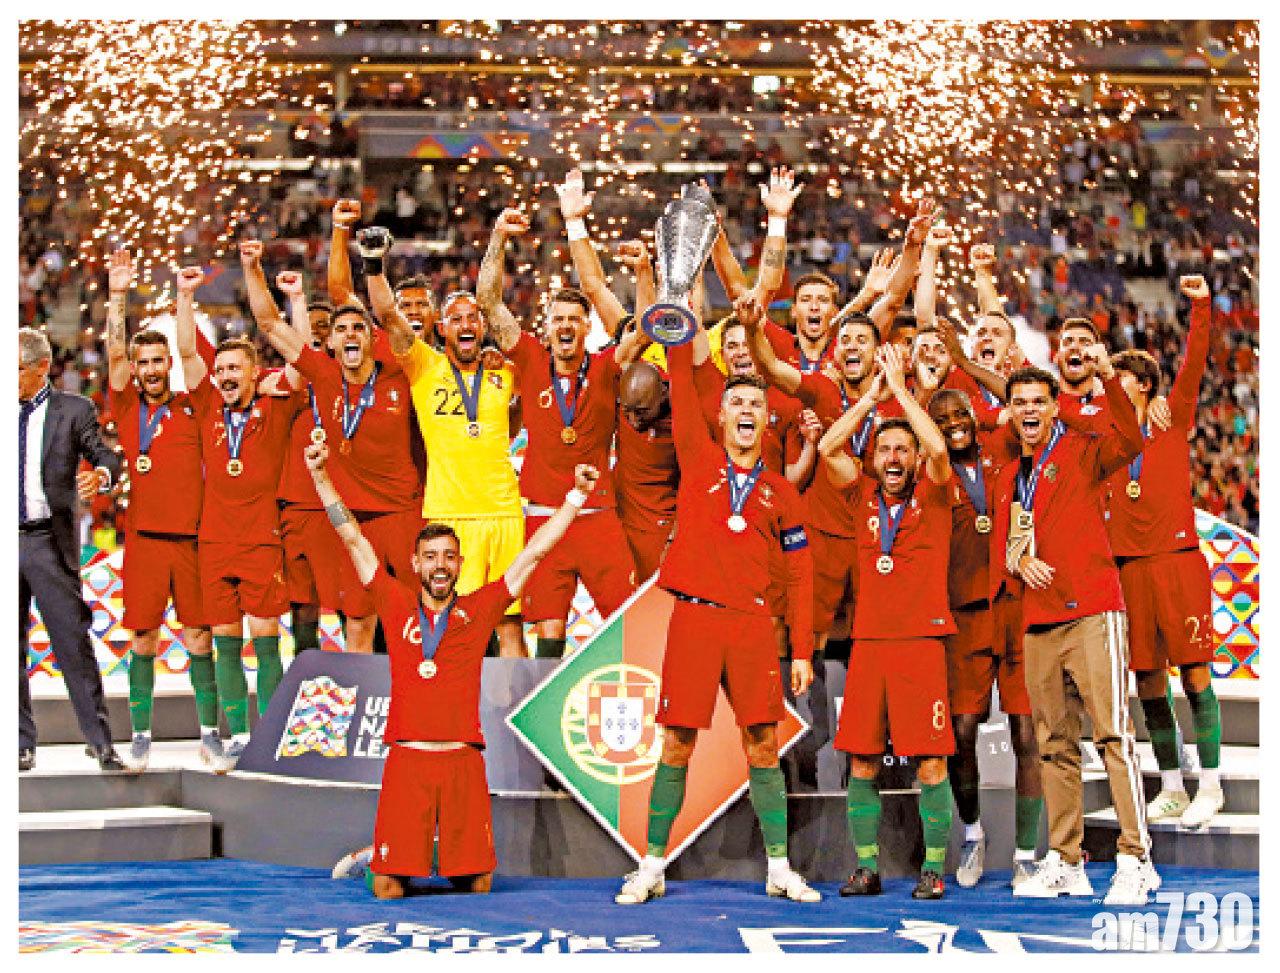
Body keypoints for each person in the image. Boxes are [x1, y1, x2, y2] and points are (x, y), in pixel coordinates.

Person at [305, 439, 602, 897]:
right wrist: (321, 476)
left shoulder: (479, 610)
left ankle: (423, 851)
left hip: (463, 762)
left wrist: (576, 497)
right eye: (430, 557)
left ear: (460, 564)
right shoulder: (395, 603)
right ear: (415, 564)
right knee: (388, 890)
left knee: (478, 886)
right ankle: (379, 856)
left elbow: (533, 555)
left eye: (448, 556)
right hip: (408, 762)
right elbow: (352, 538)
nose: (440, 566)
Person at [615, 291, 819, 907]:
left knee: (763, 746)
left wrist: (801, 651)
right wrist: (676, 312)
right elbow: (680, 376)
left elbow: (801, 576)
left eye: (757, 403)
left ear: (766, 419)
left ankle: (779, 868)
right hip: (696, 622)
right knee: (676, 744)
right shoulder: (698, 459)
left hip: (753, 626)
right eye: (738, 403)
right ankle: (652, 865)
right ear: (722, 415)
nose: (747, 410)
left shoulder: (782, 493)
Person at [994, 361, 1159, 905]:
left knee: (1112, 735)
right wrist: (1021, 563)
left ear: (1054, 407)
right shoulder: (1010, 475)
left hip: (1092, 611)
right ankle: (1067, 861)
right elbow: (1007, 548)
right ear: (1010, 412)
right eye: (1020, 403)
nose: (1030, 411)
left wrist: (1106, 378)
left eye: (1039, 402)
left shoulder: (1082, 451)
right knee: (1053, 745)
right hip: (1038, 620)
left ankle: (1136, 859)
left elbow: (1131, 439)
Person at [816, 344, 957, 901]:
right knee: (864, 760)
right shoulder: (861, 496)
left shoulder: (936, 492)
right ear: (873, 459)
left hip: (921, 642)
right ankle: (867, 867)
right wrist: (870, 400)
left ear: (914, 457)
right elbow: (827, 446)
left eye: (903, 449)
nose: (894, 458)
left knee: (931, 761)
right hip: (870, 643)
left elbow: (939, 448)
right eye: (885, 450)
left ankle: (934, 869)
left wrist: (901, 392)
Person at [354, 225, 529, 658]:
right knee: (455, 626)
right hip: (450, 515)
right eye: (457, 319)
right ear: (442, 327)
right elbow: (388, 315)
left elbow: (511, 427)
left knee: (510, 627)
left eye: (473, 318)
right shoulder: (424, 366)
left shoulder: (504, 371)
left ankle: (511, 704)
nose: (466, 324)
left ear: (483, 327)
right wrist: (374, 265)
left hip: (504, 512)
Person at [477, 206, 645, 657]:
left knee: (627, 622)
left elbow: (642, 334)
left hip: (597, 516)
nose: (566, 325)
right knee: (548, 631)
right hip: (543, 517)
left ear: (588, 327)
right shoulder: (530, 358)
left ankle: (624, 696)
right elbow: (489, 303)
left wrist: (644, 273)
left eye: (574, 319)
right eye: (558, 318)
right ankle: (548, 702)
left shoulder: (606, 366)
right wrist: (498, 237)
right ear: (547, 326)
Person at [244, 242, 421, 654]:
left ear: (372, 339)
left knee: (415, 616)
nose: (350, 334)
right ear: (332, 343)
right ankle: (364, 693)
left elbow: (393, 318)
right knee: (358, 621)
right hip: (353, 522)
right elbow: (269, 324)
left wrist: (373, 265)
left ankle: (423, 688)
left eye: (359, 327)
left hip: (403, 514)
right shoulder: (322, 375)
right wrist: (251, 267)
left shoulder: (399, 373)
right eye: (342, 330)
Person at [175, 265, 304, 769]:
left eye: (235, 369)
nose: (226, 376)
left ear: (255, 374)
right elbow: (188, 352)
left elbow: (301, 359)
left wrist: (295, 301)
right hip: (215, 543)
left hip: (261, 541)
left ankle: (267, 741)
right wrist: (185, 295)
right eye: (222, 369)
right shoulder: (208, 403)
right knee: (225, 643)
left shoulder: (276, 405)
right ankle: (236, 738)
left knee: (266, 641)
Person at [1109, 275, 1222, 830]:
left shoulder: (1171, 418)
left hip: (1177, 562)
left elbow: (1195, 360)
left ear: (1145, 386)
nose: (1110, 385)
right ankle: (1173, 785)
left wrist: (1200, 305)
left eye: (1120, 378)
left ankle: (1212, 784)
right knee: (1149, 681)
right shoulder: (1104, 441)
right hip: (1129, 570)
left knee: (1195, 674)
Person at [103, 252, 221, 771]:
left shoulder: (193, 405)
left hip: (192, 541)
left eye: (158, 361)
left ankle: (211, 735)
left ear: (168, 364)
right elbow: (113, 352)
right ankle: (141, 738)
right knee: (143, 640)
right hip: (145, 542)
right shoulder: (128, 408)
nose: (151, 370)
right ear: (135, 369)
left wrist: (185, 298)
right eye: (143, 362)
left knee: (200, 638)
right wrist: (117, 295)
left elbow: (193, 349)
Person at [927, 387, 1042, 889]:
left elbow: (1023, 405)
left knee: (1027, 735)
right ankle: (973, 834)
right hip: (964, 616)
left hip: (1015, 607)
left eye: (961, 414)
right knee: (962, 732)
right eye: (943, 419)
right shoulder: (932, 472)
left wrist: (966, 359)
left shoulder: (1003, 450)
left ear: (976, 417)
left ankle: (1025, 853)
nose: (955, 423)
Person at [19, 326, 124, 772]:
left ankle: (100, 742)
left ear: (42, 367)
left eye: (15, 369)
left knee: (71, 642)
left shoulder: (74, 410)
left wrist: (100, 477)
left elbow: (106, 455)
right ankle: (20, 744)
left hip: (48, 540)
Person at [615, 360, 679, 581]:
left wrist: (675, 533)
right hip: (623, 522)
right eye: (627, 411)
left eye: (641, 412)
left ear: (663, 395)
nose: (633, 421)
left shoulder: (683, 413)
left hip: (663, 527)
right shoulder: (622, 392)